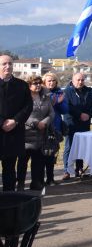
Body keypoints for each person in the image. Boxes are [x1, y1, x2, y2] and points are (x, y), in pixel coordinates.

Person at [0, 55, 33, 191]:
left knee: (9, 168)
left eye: (10, 64)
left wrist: (15, 120)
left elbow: (28, 106)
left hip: (14, 132)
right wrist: (2, 122)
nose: (8, 66)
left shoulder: (22, 85)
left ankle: (9, 197)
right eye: (4, 64)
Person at [17, 76, 54, 191]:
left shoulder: (45, 97)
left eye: (39, 83)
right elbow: (21, 113)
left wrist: (44, 122)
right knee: (23, 161)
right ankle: (21, 183)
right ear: (29, 85)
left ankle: (36, 183)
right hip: (26, 135)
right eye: (34, 83)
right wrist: (35, 123)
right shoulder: (23, 97)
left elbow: (51, 113)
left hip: (41, 134)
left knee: (38, 162)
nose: (38, 85)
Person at [62, 72, 92, 180]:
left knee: (81, 147)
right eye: (78, 80)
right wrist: (80, 114)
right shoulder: (67, 92)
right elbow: (68, 107)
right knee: (69, 146)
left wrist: (88, 115)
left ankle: (79, 168)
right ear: (72, 80)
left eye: (82, 80)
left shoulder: (88, 91)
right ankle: (67, 170)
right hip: (71, 123)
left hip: (84, 123)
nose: (80, 82)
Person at [43, 72, 67, 185]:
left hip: (55, 128)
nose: (51, 83)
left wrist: (59, 103)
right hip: (42, 127)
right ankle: (38, 179)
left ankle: (50, 178)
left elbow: (65, 110)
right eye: (49, 81)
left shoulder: (60, 93)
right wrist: (56, 101)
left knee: (52, 154)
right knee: (41, 155)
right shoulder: (40, 93)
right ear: (44, 82)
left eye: (53, 81)